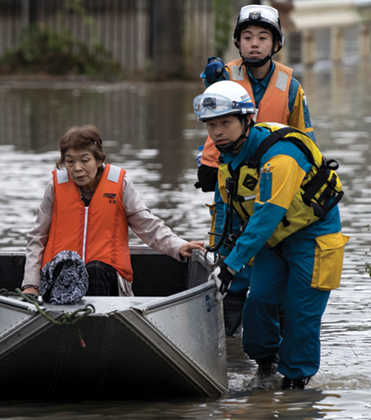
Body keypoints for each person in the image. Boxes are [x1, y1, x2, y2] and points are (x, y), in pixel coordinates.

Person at [194, 81, 348, 390]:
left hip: (312, 237)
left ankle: (296, 383)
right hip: (272, 240)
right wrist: (220, 254)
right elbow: (226, 207)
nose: (218, 131)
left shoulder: (280, 158)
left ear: (246, 120)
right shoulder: (229, 157)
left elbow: (266, 217)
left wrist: (232, 266)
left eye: (225, 122)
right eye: (211, 125)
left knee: (301, 314)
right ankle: (266, 366)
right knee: (259, 302)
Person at [195, 4, 315, 336]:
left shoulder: (290, 86)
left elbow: (305, 139)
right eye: (247, 37)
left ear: (276, 44)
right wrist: (206, 166)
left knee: (269, 250)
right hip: (231, 177)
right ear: (237, 42)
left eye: (263, 37)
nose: (254, 44)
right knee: (229, 249)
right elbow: (211, 122)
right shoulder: (223, 75)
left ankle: (267, 332)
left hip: (275, 179)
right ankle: (229, 338)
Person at [21, 125, 205, 298]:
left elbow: (148, 225)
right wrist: (31, 284)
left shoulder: (120, 184)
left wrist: (178, 245)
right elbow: (37, 237)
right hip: (60, 283)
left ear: (99, 159)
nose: (77, 168)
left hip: (108, 281)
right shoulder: (55, 186)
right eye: (70, 161)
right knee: (69, 271)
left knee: (94, 269)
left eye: (84, 160)